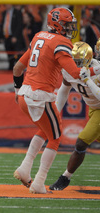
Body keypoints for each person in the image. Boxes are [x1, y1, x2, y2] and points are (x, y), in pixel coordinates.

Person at [12, 7, 100, 194]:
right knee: (55, 137)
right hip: (40, 96)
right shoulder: (61, 42)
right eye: (67, 24)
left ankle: (25, 168)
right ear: (58, 24)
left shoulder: (38, 36)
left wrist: (17, 90)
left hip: (25, 94)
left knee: (45, 130)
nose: (70, 28)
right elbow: (77, 73)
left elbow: (17, 68)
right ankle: (38, 182)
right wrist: (95, 70)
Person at [49, 42, 100, 190]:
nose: (74, 65)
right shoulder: (67, 70)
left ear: (89, 59)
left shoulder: (96, 70)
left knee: (81, 142)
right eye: (72, 61)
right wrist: (56, 113)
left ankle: (65, 177)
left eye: (78, 62)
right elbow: (64, 90)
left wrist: (88, 79)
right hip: (93, 108)